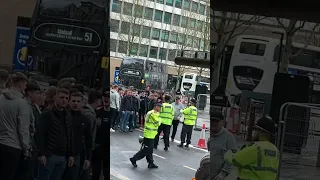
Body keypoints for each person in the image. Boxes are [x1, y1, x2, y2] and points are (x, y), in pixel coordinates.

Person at [224, 115, 280, 180]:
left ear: (261, 132)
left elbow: (235, 160)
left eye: (255, 130)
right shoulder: (276, 150)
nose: (253, 132)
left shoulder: (256, 148)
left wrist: (228, 154)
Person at [37, 88, 75, 180]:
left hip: (63, 155)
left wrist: (71, 154)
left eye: (66, 98)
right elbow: (39, 134)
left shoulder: (67, 115)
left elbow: (70, 135)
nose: (64, 100)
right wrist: (42, 154)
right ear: (55, 98)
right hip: (50, 155)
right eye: (62, 97)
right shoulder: (47, 113)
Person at [0, 72, 32, 180]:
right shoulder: (22, 103)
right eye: (25, 84)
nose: (26, 87)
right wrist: (26, 148)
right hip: (13, 146)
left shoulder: (1, 98)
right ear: (20, 84)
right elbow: (23, 128)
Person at [196, 111, 236, 180]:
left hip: (221, 176)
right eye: (212, 121)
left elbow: (232, 158)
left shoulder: (229, 138)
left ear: (222, 122)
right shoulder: (210, 138)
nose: (214, 123)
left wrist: (223, 174)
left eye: (216, 121)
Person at [15, 82, 41, 180]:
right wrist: (27, 147)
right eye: (37, 93)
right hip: (26, 145)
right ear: (30, 93)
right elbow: (25, 127)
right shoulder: (26, 106)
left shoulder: (30, 106)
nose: (38, 96)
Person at [63, 92, 92, 180]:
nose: (75, 103)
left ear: (83, 103)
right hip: (62, 153)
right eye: (73, 101)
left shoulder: (85, 120)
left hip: (77, 153)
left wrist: (88, 158)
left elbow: (88, 140)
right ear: (69, 102)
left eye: (78, 101)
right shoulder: (63, 116)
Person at [129, 103, 162, 169]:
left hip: (152, 134)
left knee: (150, 149)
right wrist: (160, 120)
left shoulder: (155, 113)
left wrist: (159, 120)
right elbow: (157, 123)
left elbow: (158, 121)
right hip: (149, 134)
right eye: (159, 107)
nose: (160, 109)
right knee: (147, 149)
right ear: (156, 107)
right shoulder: (152, 114)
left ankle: (150, 163)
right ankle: (134, 158)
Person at [91, 91, 110, 180]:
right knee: (95, 171)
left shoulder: (114, 113)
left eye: (108, 97)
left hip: (108, 147)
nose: (106, 99)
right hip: (98, 145)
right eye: (105, 97)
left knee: (107, 172)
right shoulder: (97, 112)